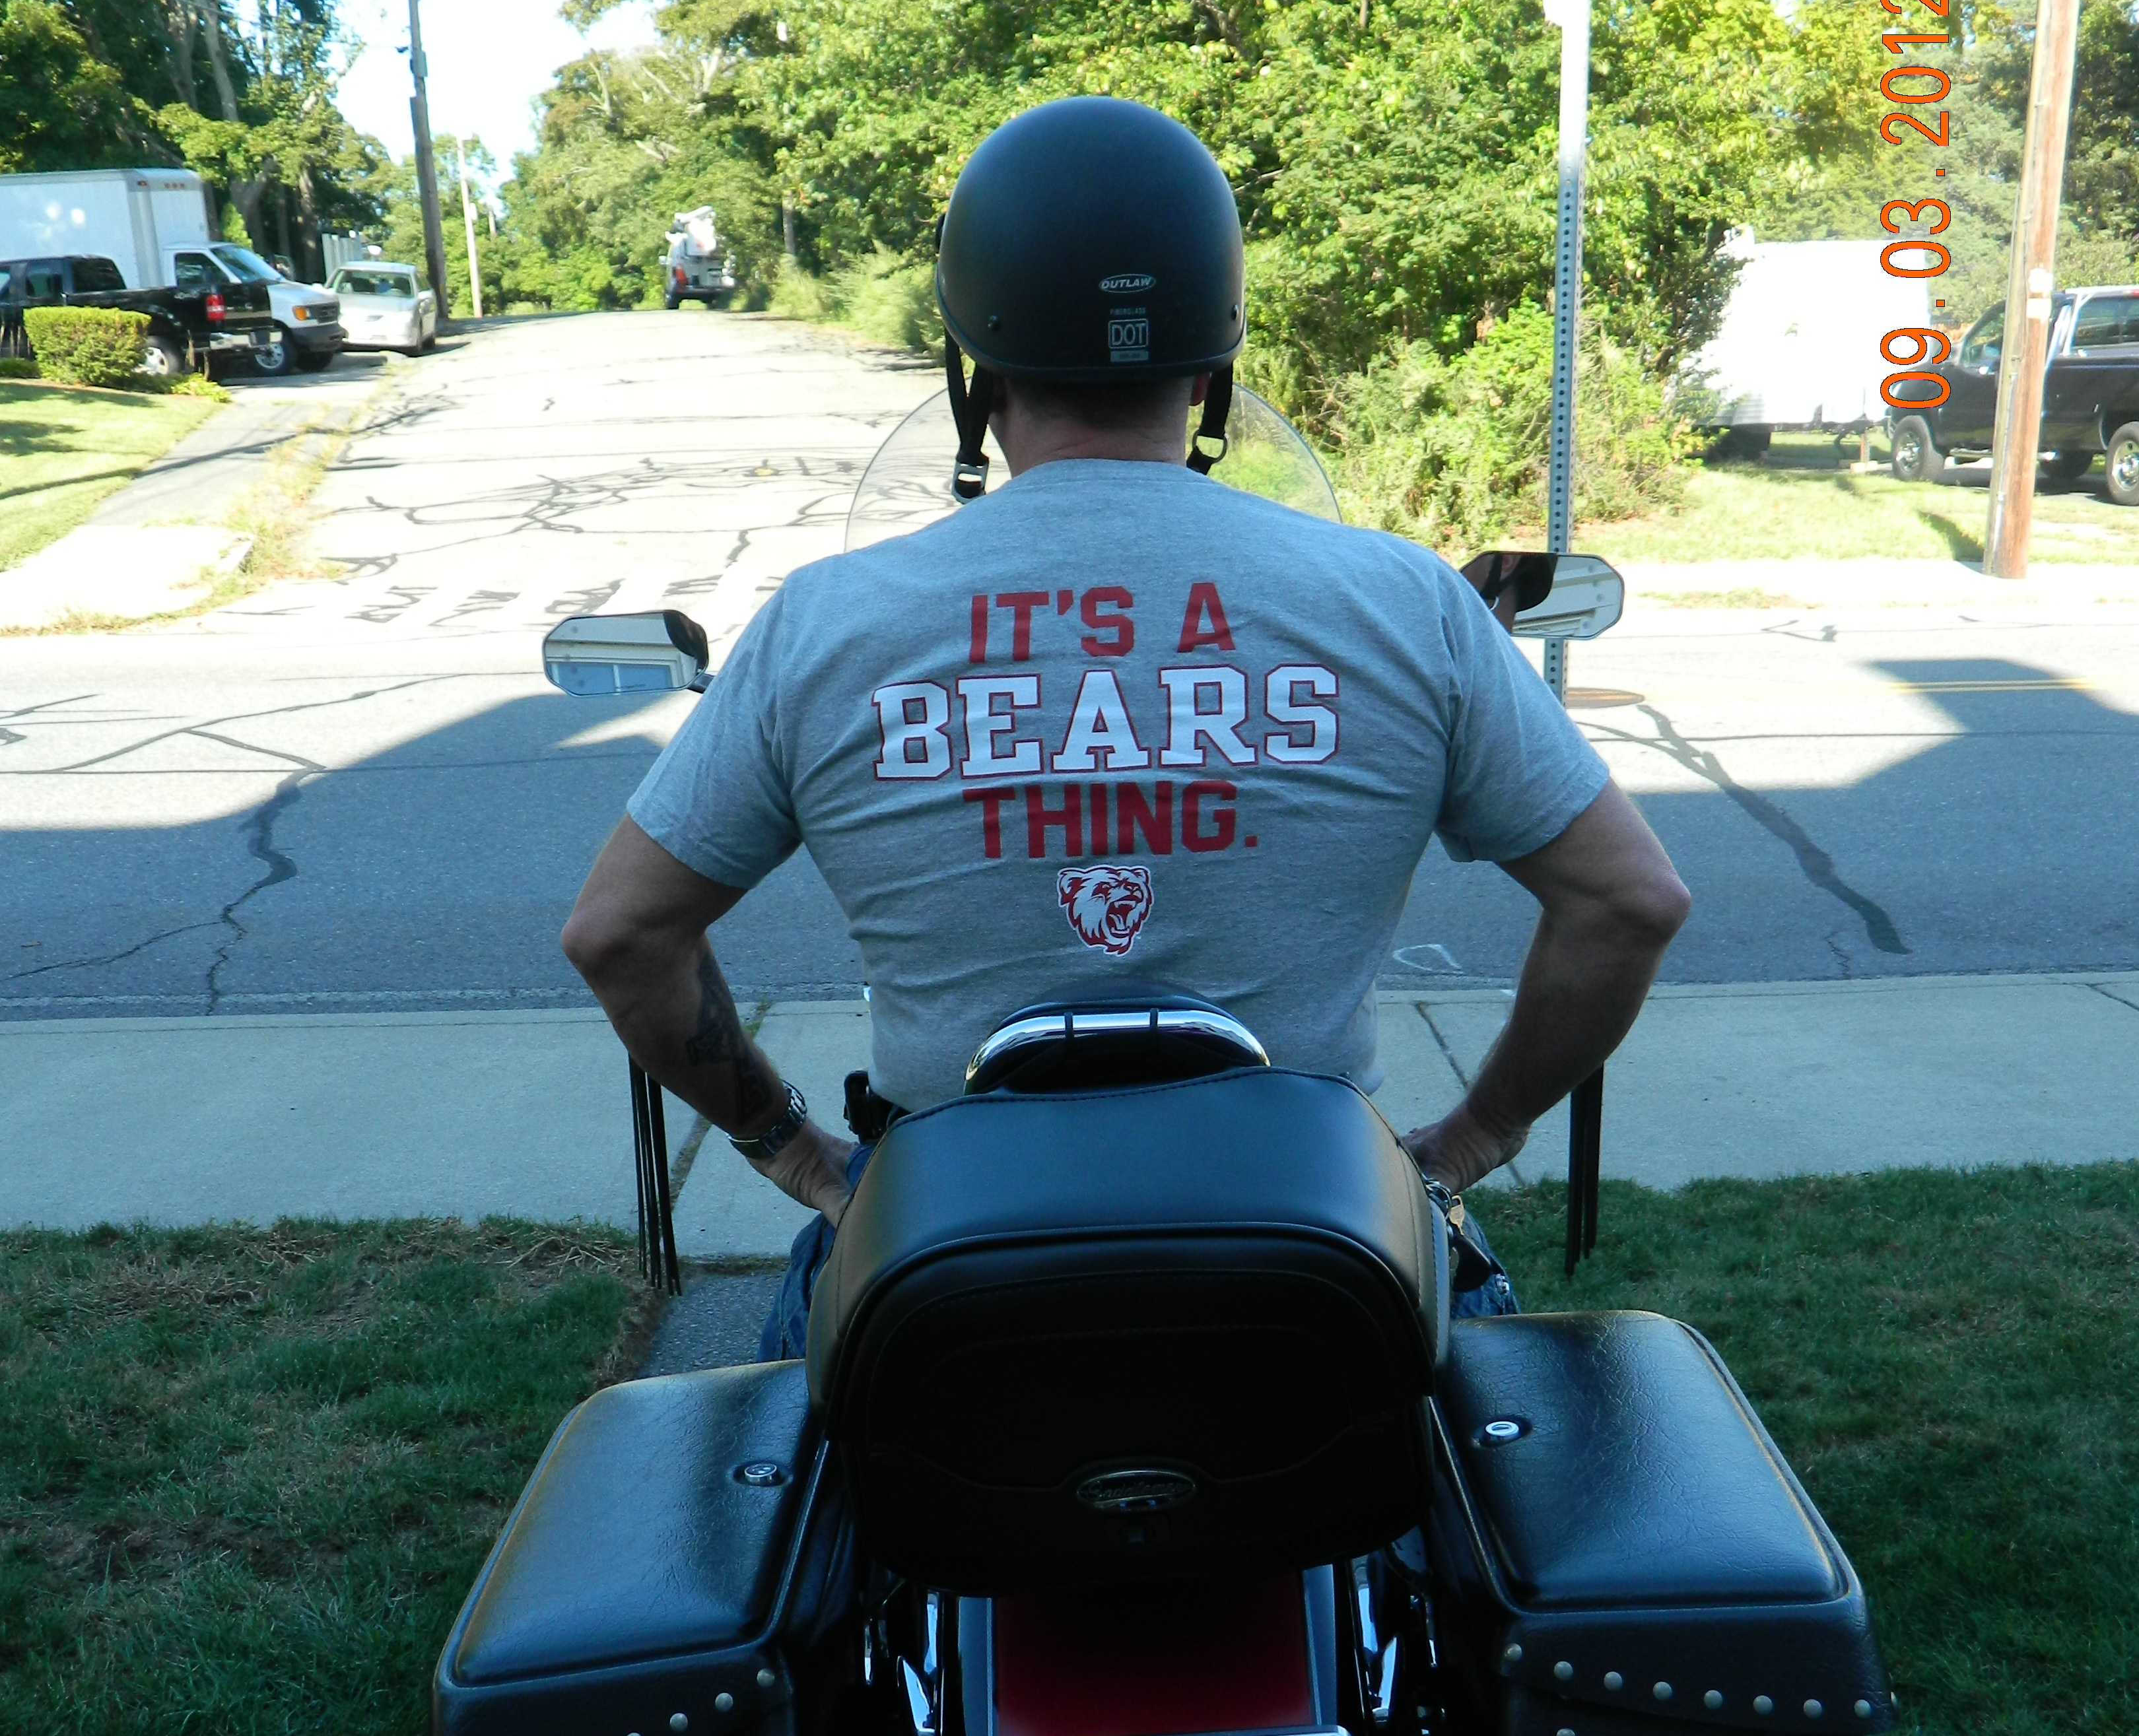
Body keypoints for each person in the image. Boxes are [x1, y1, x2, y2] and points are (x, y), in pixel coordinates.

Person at [561, 96, 1689, 1349]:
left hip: (954, 1279)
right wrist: (1470, 1143)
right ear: (1215, 372)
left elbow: (621, 934)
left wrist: (801, 1159)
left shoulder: (827, 624)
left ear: (970, 374)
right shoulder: (1405, 602)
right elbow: (1628, 901)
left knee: (774, 1486)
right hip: (1308, 1268)